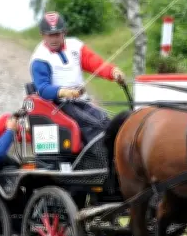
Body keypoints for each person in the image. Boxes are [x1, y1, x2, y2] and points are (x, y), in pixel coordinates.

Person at [29, 11, 126, 143]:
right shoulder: (39, 58)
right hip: (58, 106)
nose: (54, 39)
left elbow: (95, 63)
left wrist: (113, 72)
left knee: (107, 122)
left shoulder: (75, 46)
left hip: (81, 102)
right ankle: (99, 160)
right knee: (97, 127)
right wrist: (64, 92)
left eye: (57, 34)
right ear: (42, 35)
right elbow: (43, 89)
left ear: (64, 32)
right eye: (49, 35)